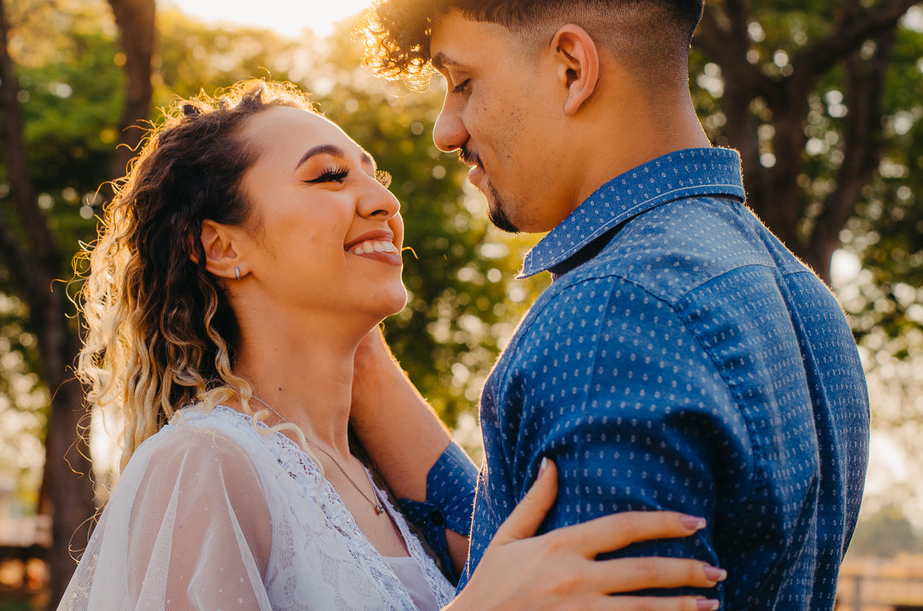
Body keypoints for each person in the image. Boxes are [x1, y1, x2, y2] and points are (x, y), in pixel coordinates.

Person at [354, 0, 871, 611]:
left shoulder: (609, 318)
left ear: (572, 67)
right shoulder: (803, 299)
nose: (446, 129)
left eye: (463, 82)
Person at [57, 80, 726, 611]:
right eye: (328, 178)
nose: (382, 199)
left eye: (372, 174)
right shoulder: (203, 462)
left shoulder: (378, 482)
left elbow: (491, 538)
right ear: (222, 246)